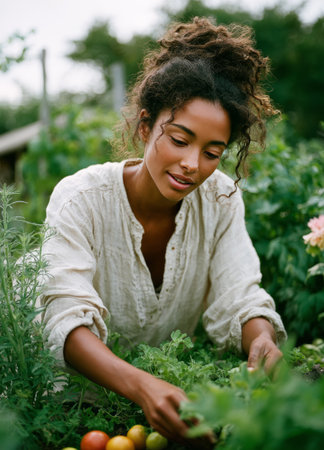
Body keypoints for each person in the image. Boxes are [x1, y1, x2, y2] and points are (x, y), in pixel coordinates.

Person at [40, 17, 286, 445]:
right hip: (73, 416)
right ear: (145, 127)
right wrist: (142, 386)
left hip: (172, 417)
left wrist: (260, 337)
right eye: (179, 139)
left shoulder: (220, 199)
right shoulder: (81, 199)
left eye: (213, 152)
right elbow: (62, 316)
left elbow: (239, 294)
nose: (194, 164)